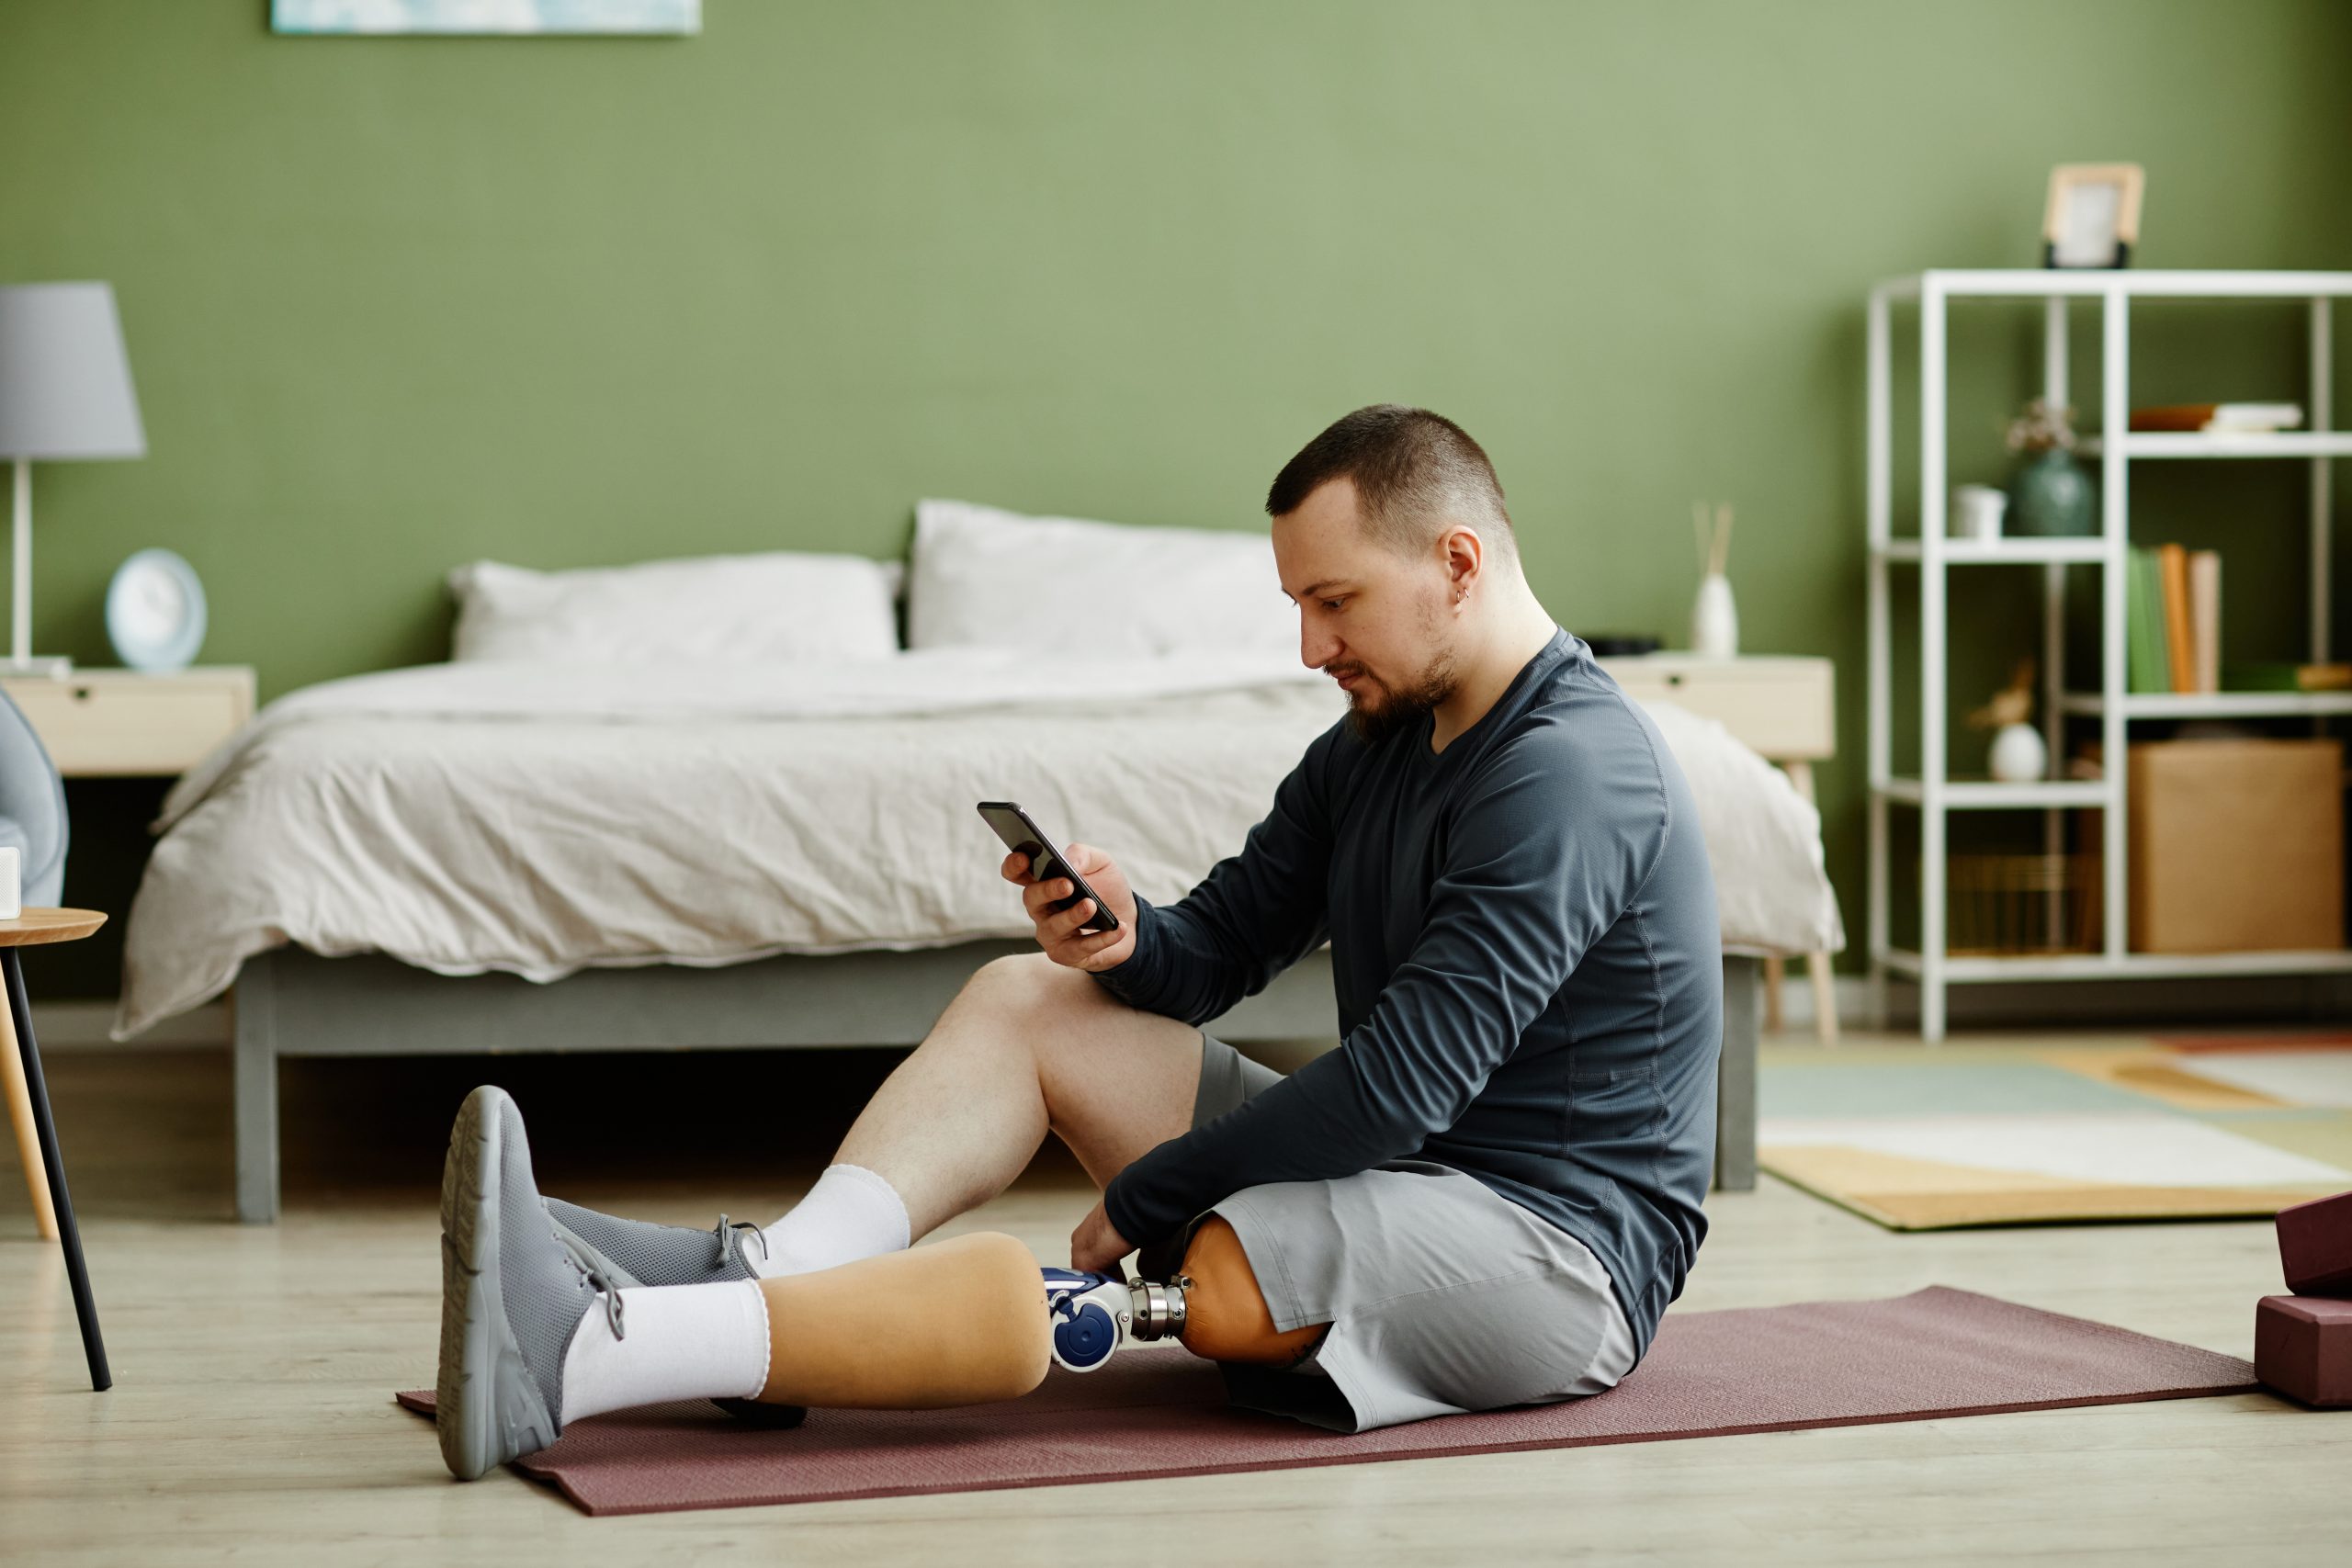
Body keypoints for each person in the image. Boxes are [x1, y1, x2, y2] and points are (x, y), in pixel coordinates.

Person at [433, 404, 1723, 1482]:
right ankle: (770, 1281)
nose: (1311, 646)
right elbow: (1220, 945)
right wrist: (1120, 942)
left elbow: (1399, 1089)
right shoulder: (1375, 744)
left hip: (1556, 1252)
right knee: (1028, 999)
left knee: (1223, 1278)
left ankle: (594, 1352)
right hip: (1400, 1179)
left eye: (1336, 601)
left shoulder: (1572, 774)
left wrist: (1146, 1199)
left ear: (1458, 562)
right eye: (1296, 604)